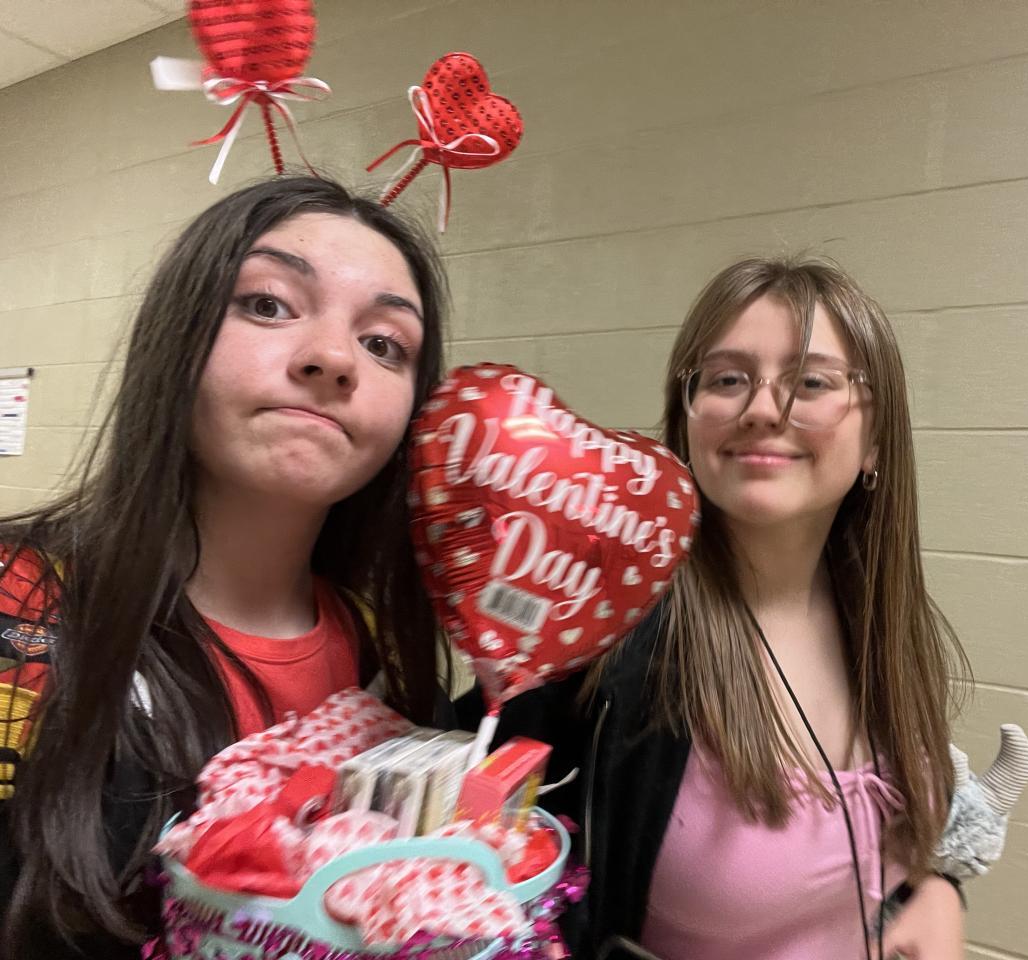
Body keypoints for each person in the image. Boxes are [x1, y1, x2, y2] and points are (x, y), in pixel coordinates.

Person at [0, 176, 449, 958]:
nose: (333, 359)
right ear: (179, 335)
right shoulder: (19, 605)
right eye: (269, 304)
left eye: (384, 344)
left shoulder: (389, 658)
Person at [494, 255, 972, 960]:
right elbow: (465, 842)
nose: (762, 410)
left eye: (811, 382)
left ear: (875, 438)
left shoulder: (879, 617)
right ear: (686, 418)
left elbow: (878, 844)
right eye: (727, 379)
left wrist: (937, 888)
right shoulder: (612, 638)